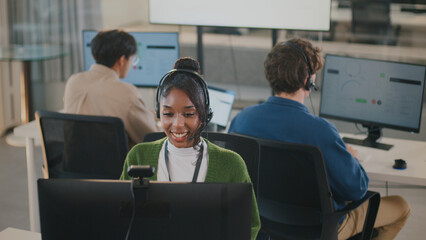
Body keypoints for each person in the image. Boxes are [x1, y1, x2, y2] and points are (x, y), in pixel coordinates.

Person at [228, 38, 410, 240]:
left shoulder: (242, 120)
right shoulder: (320, 131)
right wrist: (350, 158)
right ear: (309, 80)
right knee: (401, 206)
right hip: (319, 230)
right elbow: (357, 190)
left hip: (265, 223)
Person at [120, 60, 261, 240]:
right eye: (168, 114)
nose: (178, 124)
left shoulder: (231, 164)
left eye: (188, 114)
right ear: (158, 113)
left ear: (204, 115)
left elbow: (249, 227)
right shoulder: (138, 156)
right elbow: (122, 219)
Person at [63, 29, 158, 148]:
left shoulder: (73, 81)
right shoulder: (126, 93)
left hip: (74, 164)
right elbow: (151, 138)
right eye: (133, 59)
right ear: (122, 60)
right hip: (117, 166)